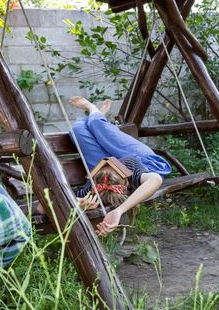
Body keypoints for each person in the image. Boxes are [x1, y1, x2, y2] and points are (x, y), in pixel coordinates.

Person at [66, 96, 171, 237]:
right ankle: (94, 112)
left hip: (99, 162)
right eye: (112, 169)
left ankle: (94, 116)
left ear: (95, 179)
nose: (110, 166)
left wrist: (77, 200)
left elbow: (42, 206)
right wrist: (119, 211)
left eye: (104, 170)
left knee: (77, 129)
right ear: (123, 179)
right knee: (96, 122)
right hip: (142, 160)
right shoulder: (133, 172)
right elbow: (156, 179)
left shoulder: (91, 192)